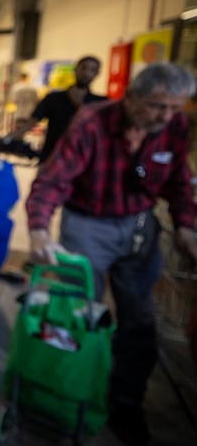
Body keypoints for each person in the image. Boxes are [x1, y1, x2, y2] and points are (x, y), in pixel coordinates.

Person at [25, 63, 197, 446]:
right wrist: (38, 229)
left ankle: (125, 403)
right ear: (132, 97)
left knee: (139, 321)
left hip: (139, 228)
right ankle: (69, 390)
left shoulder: (174, 127)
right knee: (80, 313)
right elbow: (54, 180)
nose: (166, 117)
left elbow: (179, 182)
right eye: (157, 106)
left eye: (175, 108)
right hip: (88, 226)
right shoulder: (92, 123)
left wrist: (186, 226)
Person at [11, 55, 106, 162]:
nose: (86, 73)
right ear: (75, 69)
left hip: (82, 162)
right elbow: (31, 123)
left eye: (92, 70)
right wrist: (7, 140)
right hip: (51, 158)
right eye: (83, 68)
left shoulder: (100, 103)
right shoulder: (53, 98)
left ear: (97, 73)